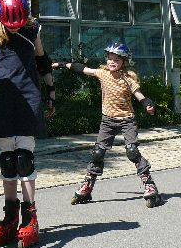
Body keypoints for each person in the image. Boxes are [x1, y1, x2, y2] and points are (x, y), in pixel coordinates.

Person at [0, 0, 56, 248]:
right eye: (10, 23)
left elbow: (42, 61)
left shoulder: (33, 30)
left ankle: (30, 218)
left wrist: (51, 91)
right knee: (8, 160)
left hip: (28, 95)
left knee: (24, 157)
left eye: (18, 22)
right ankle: (11, 216)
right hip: (4, 97)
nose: (15, 26)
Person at [53, 42, 161, 208]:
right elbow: (82, 69)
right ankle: (88, 185)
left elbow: (139, 95)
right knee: (98, 153)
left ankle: (149, 184)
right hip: (108, 121)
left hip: (127, 120)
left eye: (116, 60)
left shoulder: (128, 78)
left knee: (132, 151)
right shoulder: (103, 73)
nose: (112, 62)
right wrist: (62, 64)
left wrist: (147, 104)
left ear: (124, 62)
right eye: (110, 59)